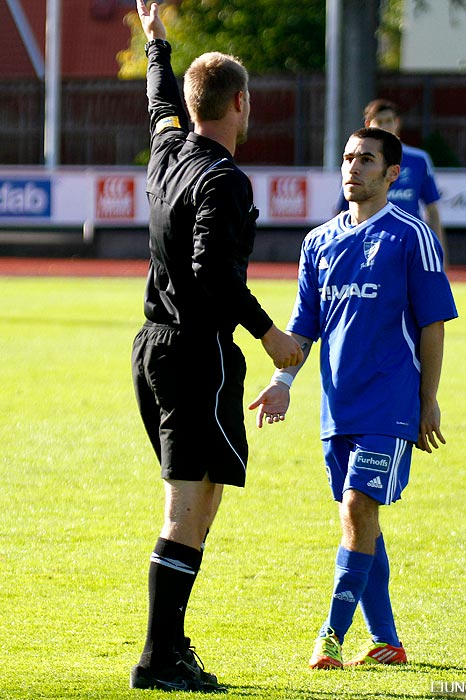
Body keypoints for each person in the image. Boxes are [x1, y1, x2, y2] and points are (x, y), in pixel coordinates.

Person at [129, 1, 303, 692]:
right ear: (241, 102)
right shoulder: (225, 178)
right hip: (195, 351)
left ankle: (168, 646)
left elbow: (156, 104)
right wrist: (272, 336)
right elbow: (212, 272)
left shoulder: (169, 149)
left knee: (202, 499)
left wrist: (157, 46)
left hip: (155, 346)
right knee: (187, 506)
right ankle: (157, 657)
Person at [249, 127, 458, 668]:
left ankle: (330, 635)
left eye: (366, 159)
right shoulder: (317, 242)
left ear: (392, 174)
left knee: (357, 506)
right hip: (336, 407)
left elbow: (433, 324)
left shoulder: (413, 236)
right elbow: (304, 327)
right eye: (347, 158)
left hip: (391, 404)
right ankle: (387, 640)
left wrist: (427, 399)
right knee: (359, 521)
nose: (353, 167)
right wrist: (283, 381)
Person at [336, 98, 448, 265]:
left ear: (397, 123)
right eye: (379, 122)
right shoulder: (359, 162)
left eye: (389, 121)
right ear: (369, 124)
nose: (385, 126)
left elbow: (432, 209)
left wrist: (439, 249)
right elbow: (344, 210)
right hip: (369, 243)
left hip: (408, 243)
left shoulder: (419, 160)